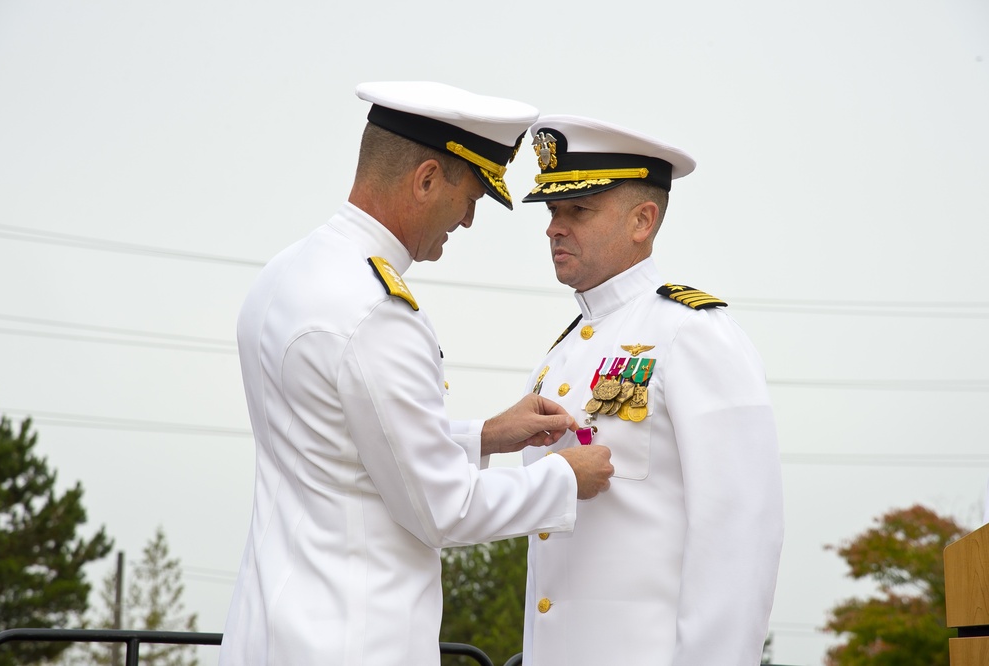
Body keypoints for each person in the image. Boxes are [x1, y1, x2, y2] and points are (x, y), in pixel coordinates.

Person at [218, 85, 614, 666]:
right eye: (471, 195)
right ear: (427, 178)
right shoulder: (378, 312)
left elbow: (340, 443)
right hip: (355, 640)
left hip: (271, 628)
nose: (470, 220)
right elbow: (442, 509)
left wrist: (482, 436)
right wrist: (562, 477)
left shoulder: (291, 272)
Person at [518, 114, 784, 665]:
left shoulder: (692, 333)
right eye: (551, 211)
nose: (553, 228)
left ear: (643, 219)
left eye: (577, 210)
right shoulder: (559, 357)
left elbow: (741, 534)